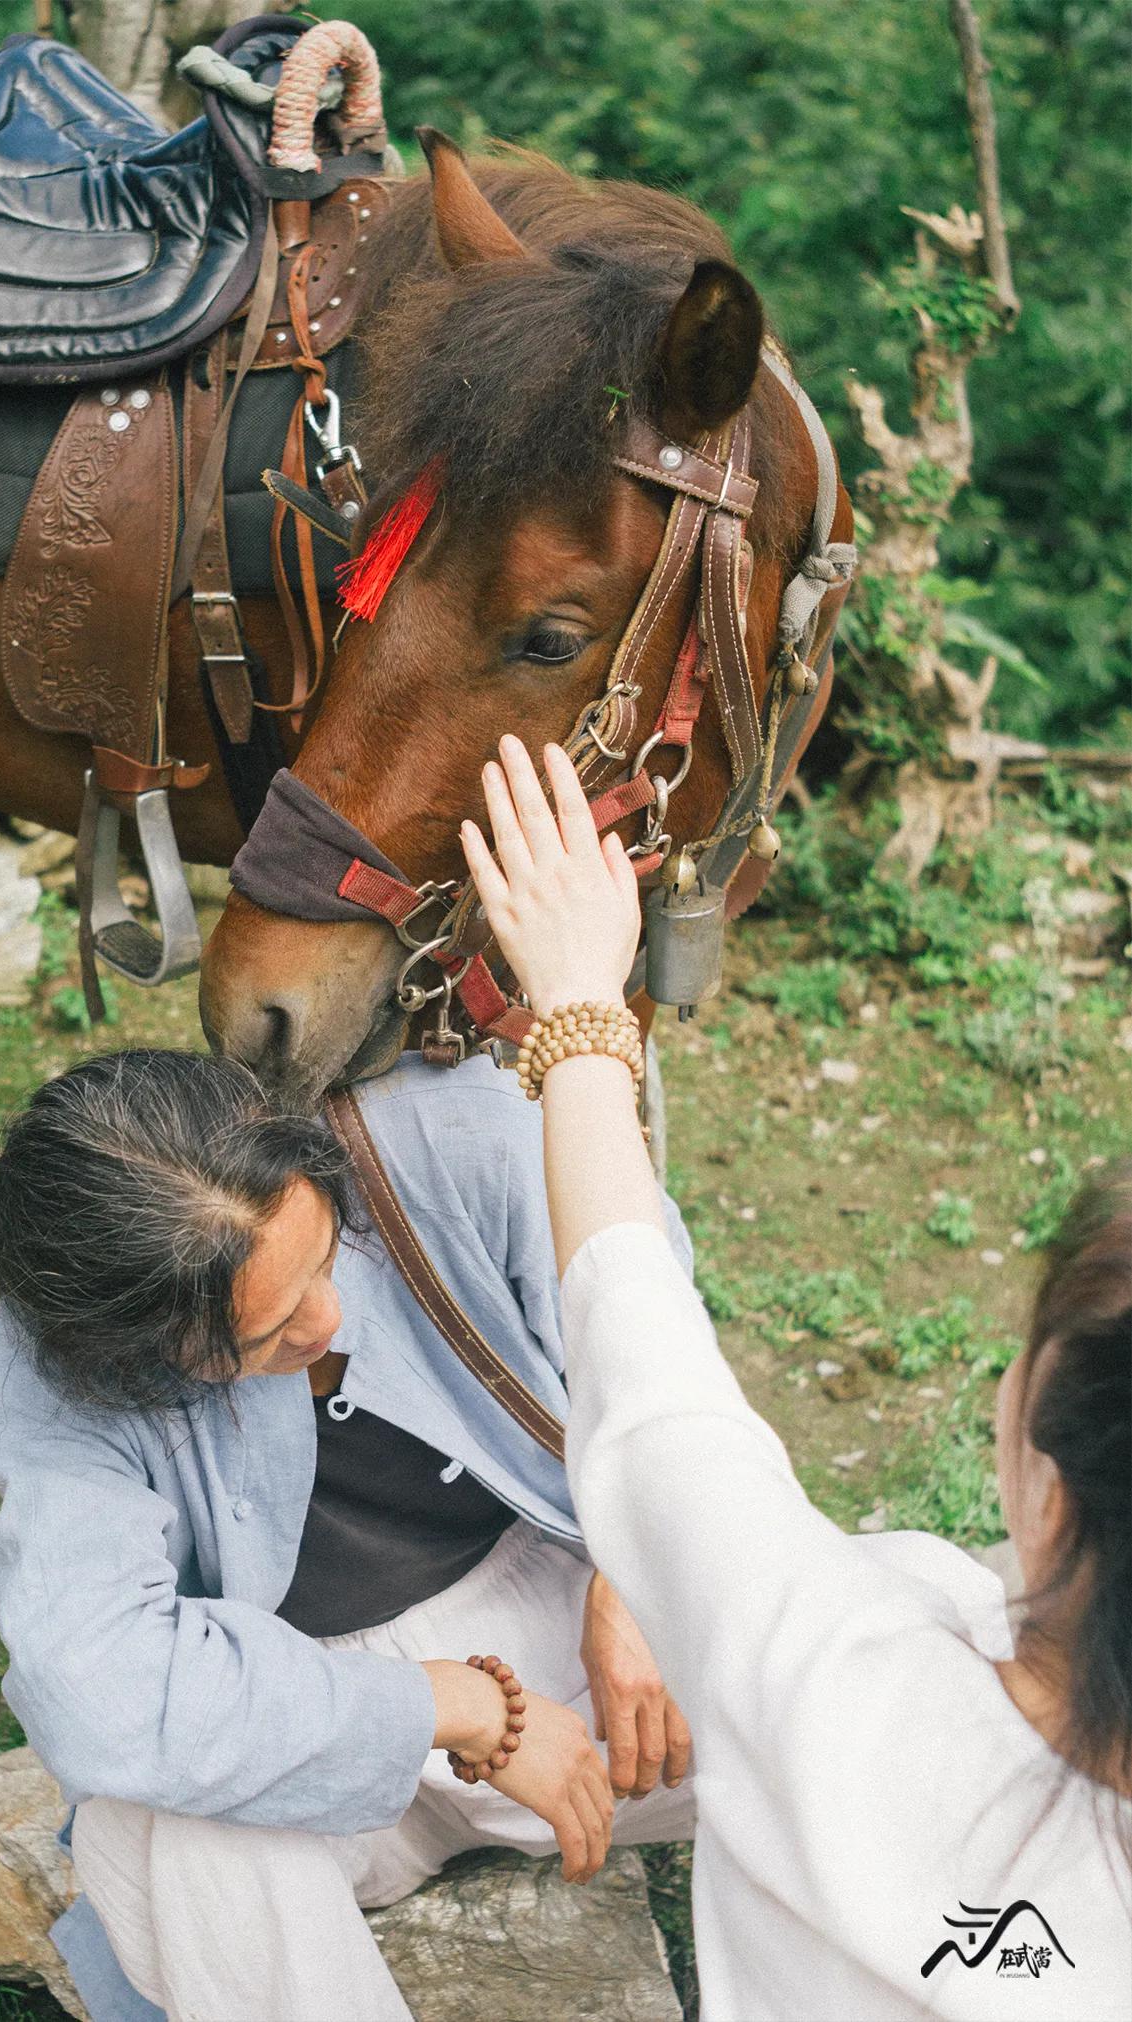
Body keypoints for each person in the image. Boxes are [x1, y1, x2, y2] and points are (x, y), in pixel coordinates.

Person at [460, 733, 1132, 2021]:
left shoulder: (825, 1674)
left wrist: (577, 1002)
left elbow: (652, 1391)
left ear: (1045, 1477)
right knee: (923, 1570)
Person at [0, 1045, 698, 2022]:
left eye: (325, 1255)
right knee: (154, 1824)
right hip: (325, 1727)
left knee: (918, 1629)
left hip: (576, 1639)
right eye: (262, 1337)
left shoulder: (447, 1134)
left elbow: (651, 1314)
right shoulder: (53, 1372)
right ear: (134, 1354)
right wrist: (456, 1705)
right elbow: (96, 1688)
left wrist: (634, 1555)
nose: (328, 1318)